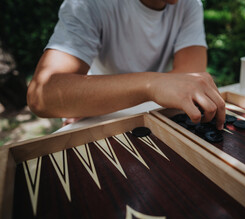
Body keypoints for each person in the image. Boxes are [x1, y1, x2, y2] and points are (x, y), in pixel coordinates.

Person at [27, 0, 225, 130]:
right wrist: (151, 85)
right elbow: (43, 95)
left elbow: (189, 76)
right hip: (99, 120)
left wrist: (86, 99)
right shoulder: (87, 3)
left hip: (108, 110)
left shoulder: (189, 5)